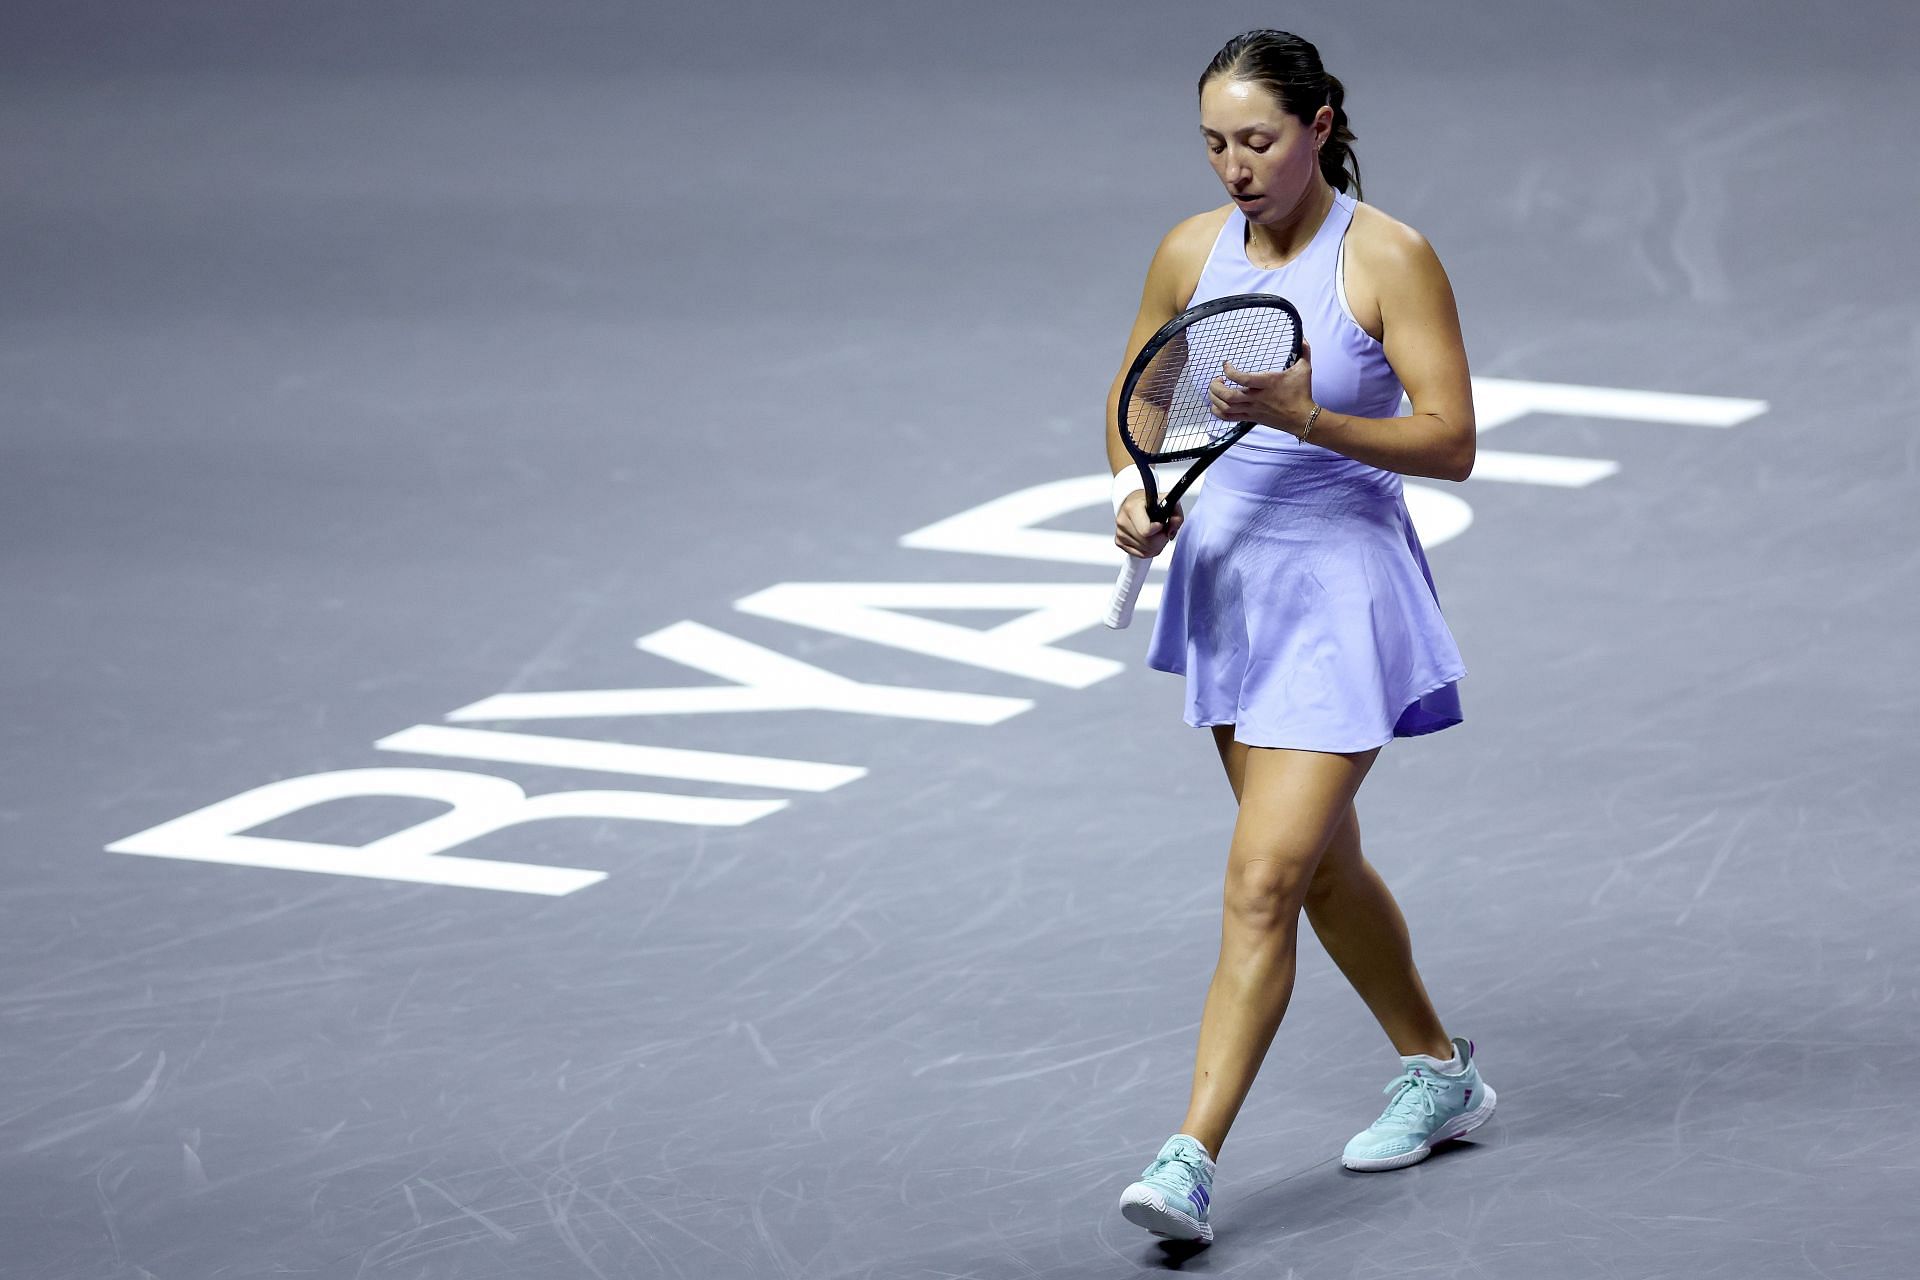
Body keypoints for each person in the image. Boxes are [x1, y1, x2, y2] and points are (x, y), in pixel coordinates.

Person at [1108, 29, 1497, 1246]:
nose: (1236, 166)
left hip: (1340, 590)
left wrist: (1310, 416)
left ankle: (1188, 1161)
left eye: (1260, 140)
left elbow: (1451, 441)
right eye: (1217, 142)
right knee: (1321, 865)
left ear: (1322, 123)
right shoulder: (1190, 248)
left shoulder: (1387, 257)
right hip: (1228, 585)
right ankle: (1440, 1070)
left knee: (1264, 877)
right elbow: (1138, 404)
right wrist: (1137, 490)